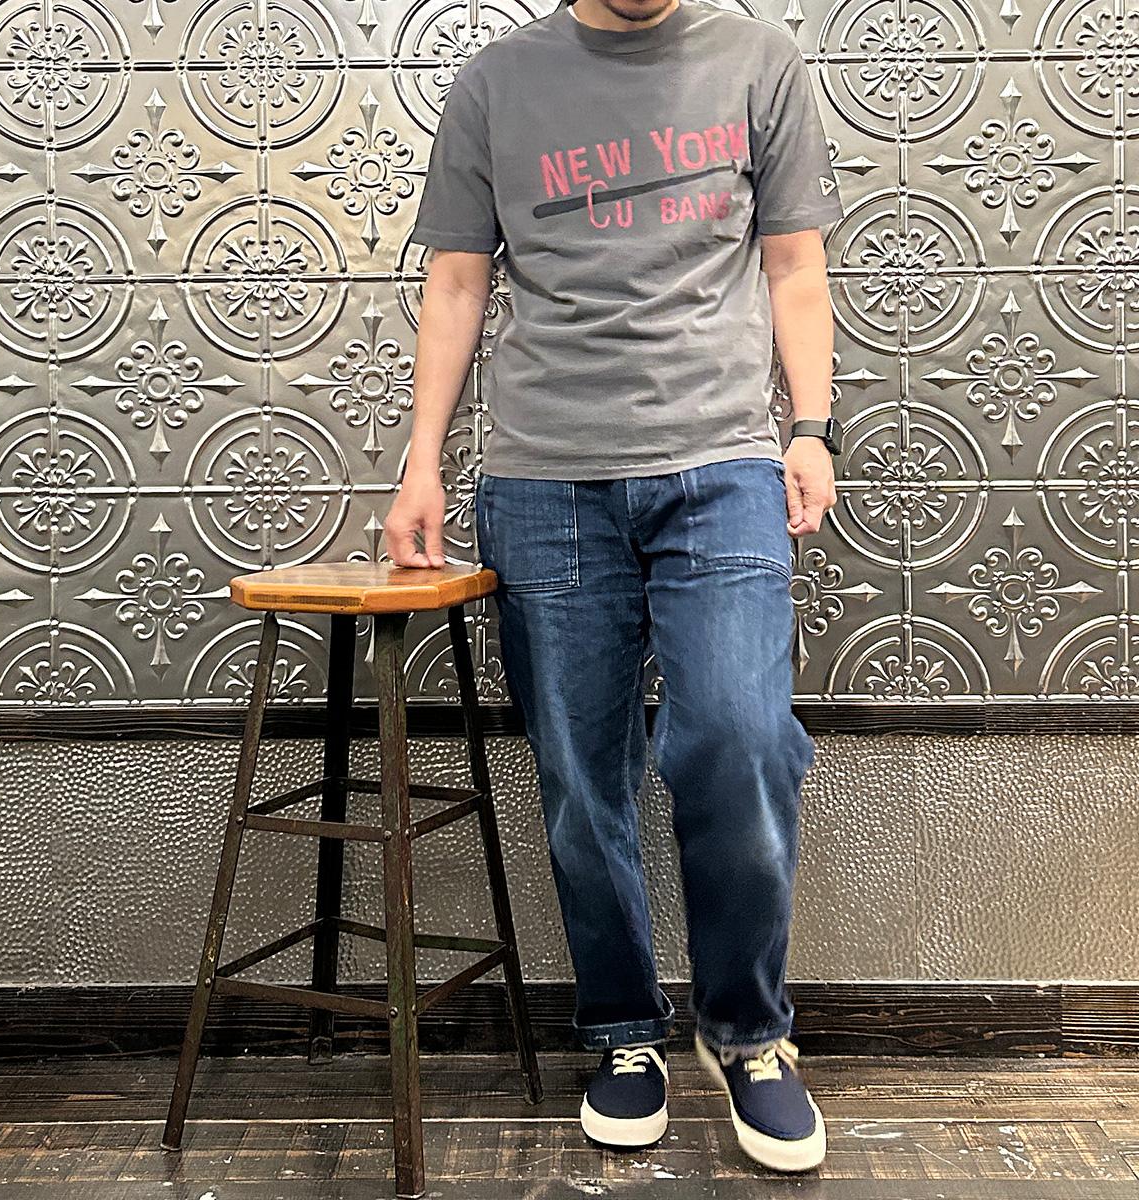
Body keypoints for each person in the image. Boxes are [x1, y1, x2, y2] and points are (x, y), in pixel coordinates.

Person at [387, 0, 845, 1174]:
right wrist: (423, 462)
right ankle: (622, 1027)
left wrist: (810, 427)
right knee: (581, 775)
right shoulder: (497, 82)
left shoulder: (760, 62)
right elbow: (456, 281)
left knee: (741, 736)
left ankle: (746, 1033)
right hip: (546, 478)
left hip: (723, 465)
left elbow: (795, 264)